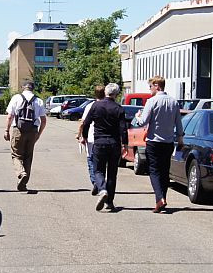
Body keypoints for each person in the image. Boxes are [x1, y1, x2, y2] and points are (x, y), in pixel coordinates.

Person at [132, 75, 184, 213]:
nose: (149, 89)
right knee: (164, 171)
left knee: (154, 171)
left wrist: (137, 117)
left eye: (150, 86)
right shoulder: (174, 102)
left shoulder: (152, 101)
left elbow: (143, 122)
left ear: (157, 86)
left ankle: (160, 198)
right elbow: (179, 124)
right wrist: (180, 140)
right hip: (168, 142)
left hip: (154, 142)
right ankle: (162, 199)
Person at [78, 83, 128, 212]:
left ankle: (102, 189)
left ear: (105, 92)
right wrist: (125, 144)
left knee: (98, 170)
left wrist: (84, 136)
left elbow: (86, 123)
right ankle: (109, 202)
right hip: (114, 143)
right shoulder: (118, 108)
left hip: (99, 141)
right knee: (112, 173)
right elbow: (123, 128)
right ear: (116, 94)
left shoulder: (96, 105)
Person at [3, 81, 47, 191]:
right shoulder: (39, 101)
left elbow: (10, 116)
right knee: (28, 157)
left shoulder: (16, 98)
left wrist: (6, 130)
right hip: (32, 130)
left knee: (16, 155)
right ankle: (23, 183)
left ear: (23, 88)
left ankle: (21, 173)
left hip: (19, 130)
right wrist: (38, 134)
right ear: (33, 88)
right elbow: (44, 120)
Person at [78, 85, 106, 195]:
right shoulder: (109, 105)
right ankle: (100, 182)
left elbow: (84, 123)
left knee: (91, 160)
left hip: (90, 137)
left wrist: (81, 136)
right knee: (101, 162)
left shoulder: (90, 106)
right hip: (103, 137)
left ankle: (95, 182)